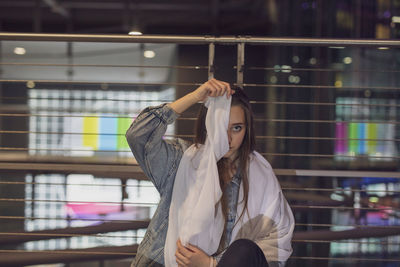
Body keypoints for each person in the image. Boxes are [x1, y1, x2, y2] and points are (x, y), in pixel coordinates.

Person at [126, 78, 294, 267]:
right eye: (221, 127)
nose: (228, 138)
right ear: (208, 124)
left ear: (247, 130)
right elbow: (138, 136)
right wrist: (194, 96)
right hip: (162, 262)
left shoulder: (259, 173)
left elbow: (274, 242)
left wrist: (211, 264)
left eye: (236, 128)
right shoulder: (182, 160)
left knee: (245, 249)